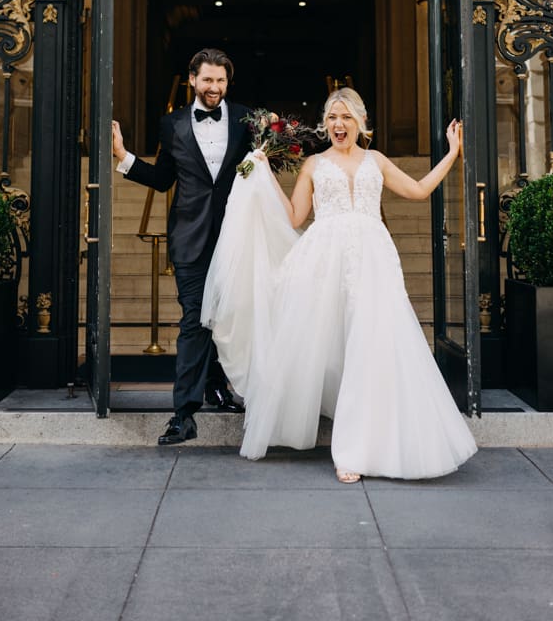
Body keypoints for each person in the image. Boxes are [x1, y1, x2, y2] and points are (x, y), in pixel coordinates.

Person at [202, 88, 477, 482]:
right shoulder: (313, 164)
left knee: (373, 348)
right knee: (339, 350)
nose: (337, 124)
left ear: (360, 122)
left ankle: (373, 442)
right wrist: (264, 176)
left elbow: (418, 191)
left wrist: (452, 153)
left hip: (374, 260)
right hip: (324, 262)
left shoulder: (376, 160)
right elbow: (296, 216)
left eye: (345, 116)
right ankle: (347, 453)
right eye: (331, 117)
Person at [112, 48, 251, 445]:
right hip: (189, 238)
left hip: (235, 236)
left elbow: (257, 169)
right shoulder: (171, 125)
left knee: (226, 316)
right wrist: (124, 157)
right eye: (207, 80)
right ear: (192, 79)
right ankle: (184, 415)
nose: (214, 88)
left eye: (221, 81)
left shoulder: (244, 119)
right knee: (195, 319)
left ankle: (217, 387)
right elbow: (161, 179)